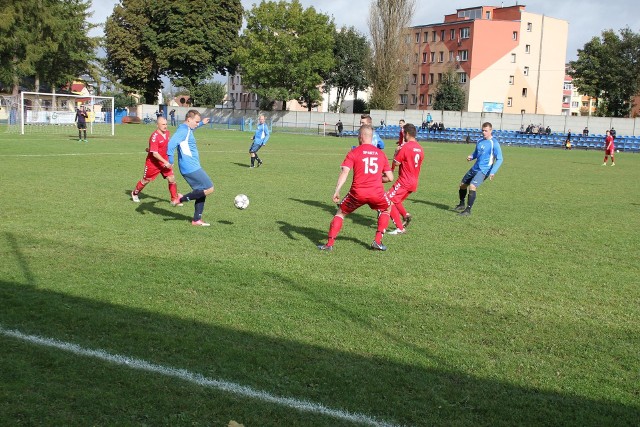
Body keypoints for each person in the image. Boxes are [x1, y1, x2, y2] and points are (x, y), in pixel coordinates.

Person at [318, 124, 394, 251]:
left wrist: (337, 190)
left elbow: (344, 171)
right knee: (387, 208)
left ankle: (329, 244)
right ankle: (377, 241)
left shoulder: (354, 152)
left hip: (357, 193)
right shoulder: (381, 154)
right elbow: (390, 177)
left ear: (361, 136)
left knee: (341, 213)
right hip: (376, 193)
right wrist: (375, 178)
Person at [166, 110, 214, 226]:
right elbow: (171, 144)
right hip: (190, 167)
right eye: (196, 122)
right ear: (189, 119)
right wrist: (170, 160)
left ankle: (196, 219)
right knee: (209, 188)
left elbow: (191, 129)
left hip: (190, 166)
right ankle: (180, 199)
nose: (197, 124)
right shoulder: (183, 130)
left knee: (201, 191)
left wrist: (201, 123)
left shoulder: (186, 129)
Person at [454, 122, 503, 216]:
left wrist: (493, 172)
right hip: (475, 167)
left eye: (486, 131)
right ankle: (461, 204)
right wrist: (471, 157)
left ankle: (468, 210)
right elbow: (476, 153)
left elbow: (500, 159)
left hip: (484, 170)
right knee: (462, 185)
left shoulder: (494, 143)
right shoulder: (480, 141)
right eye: (483, 130)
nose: (484, 132)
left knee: (472, 186)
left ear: (491, 131)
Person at [131, 117, 182, 206]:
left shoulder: (167, 133)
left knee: (171, 178)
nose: (165, 126)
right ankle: (134, 193)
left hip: (165, 161)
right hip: (153, 164)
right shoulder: (154, 137)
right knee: (146, 180)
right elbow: (155, 154)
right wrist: (165, 162)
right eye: (163, 124)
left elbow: (167, 147)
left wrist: (170, 160)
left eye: (166, 124)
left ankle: (174, 200)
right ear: (157, 125)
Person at [386, 123, 424, 235]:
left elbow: (396, 163)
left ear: (407, 134)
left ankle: (400, 228)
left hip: (404, 180)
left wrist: (396, 153)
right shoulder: (420, 148)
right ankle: (405, 215)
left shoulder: (406, 147)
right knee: (395, 200)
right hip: (414, 181)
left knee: (388, 200)